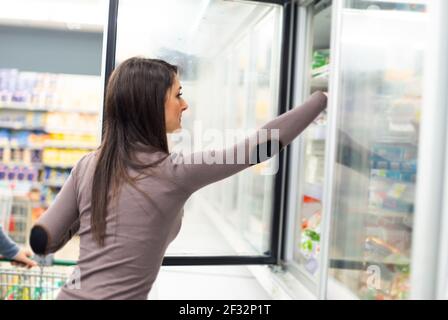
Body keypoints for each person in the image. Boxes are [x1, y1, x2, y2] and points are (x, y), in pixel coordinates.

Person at [30, 57, 328, 299]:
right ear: (151, 104)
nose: (184, 105)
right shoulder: (174, 172)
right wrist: (323, 98)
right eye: (178, 94)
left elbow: (42, 239)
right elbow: (260, 147)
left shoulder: (88, 165)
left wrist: (85, 221)